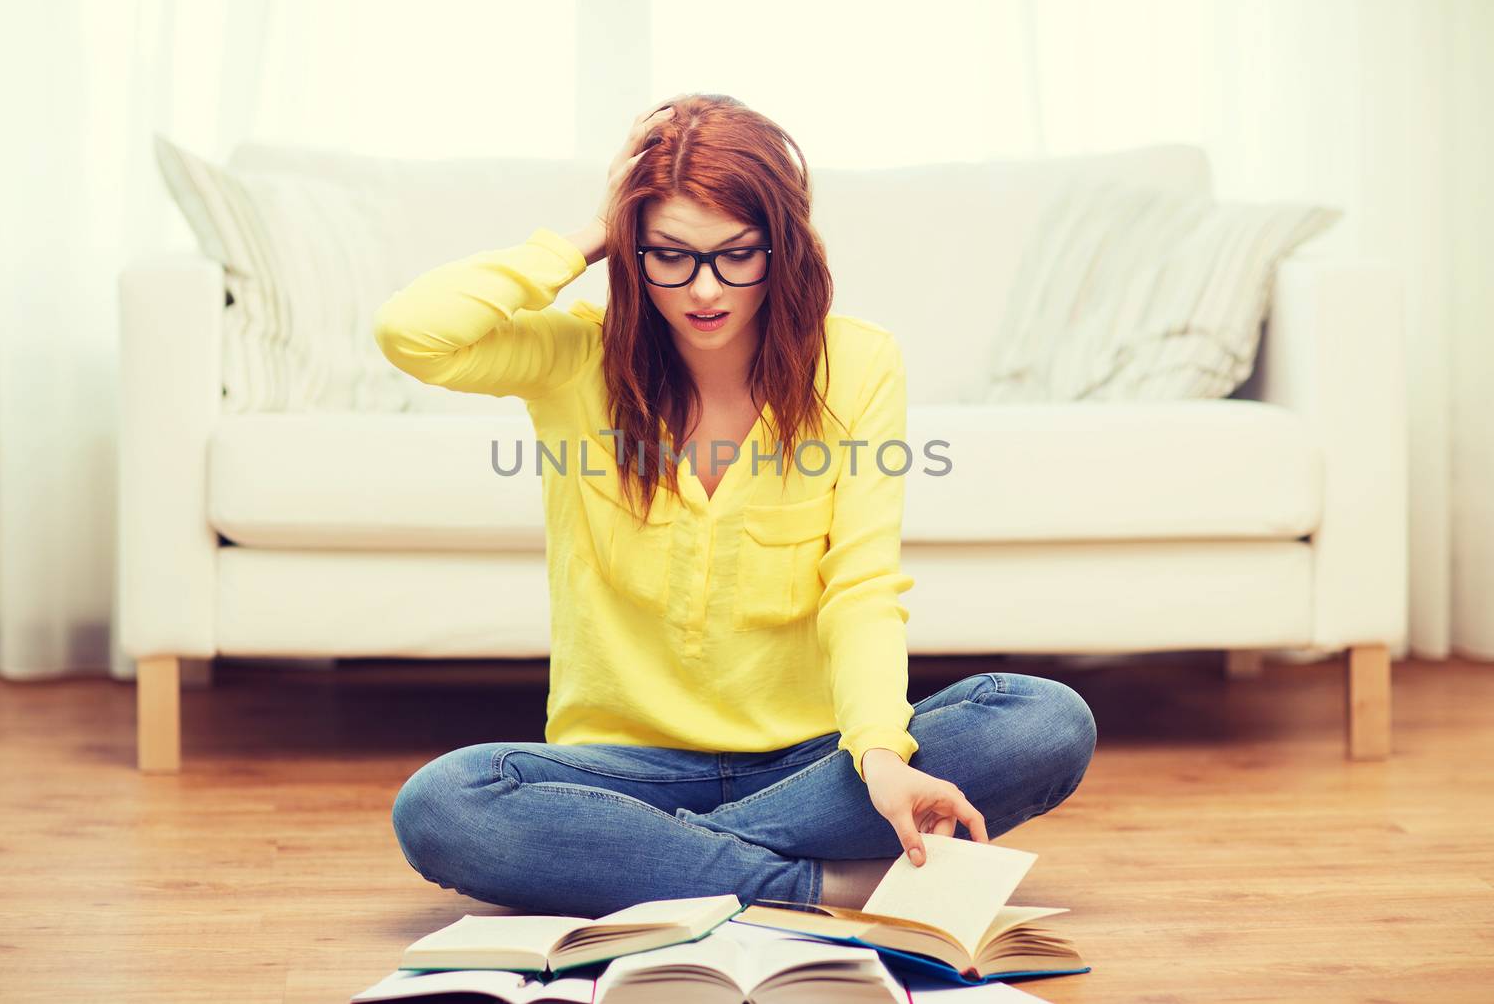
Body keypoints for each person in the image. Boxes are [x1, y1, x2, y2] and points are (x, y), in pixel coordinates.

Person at [375, 94, 1096, 918]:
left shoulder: (857, 363)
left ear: (780, 246)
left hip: (813, 765)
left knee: (1043, 720)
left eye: (735, 255)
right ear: (633, 248)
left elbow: (860, 588)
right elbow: (412, 331)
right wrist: (595, 233)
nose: (705, 288)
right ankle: (816, 885)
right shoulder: (573, 357)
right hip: (622, 768)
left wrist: (882, 757)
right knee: (443, 803)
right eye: (671, 255)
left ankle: (646, 858)